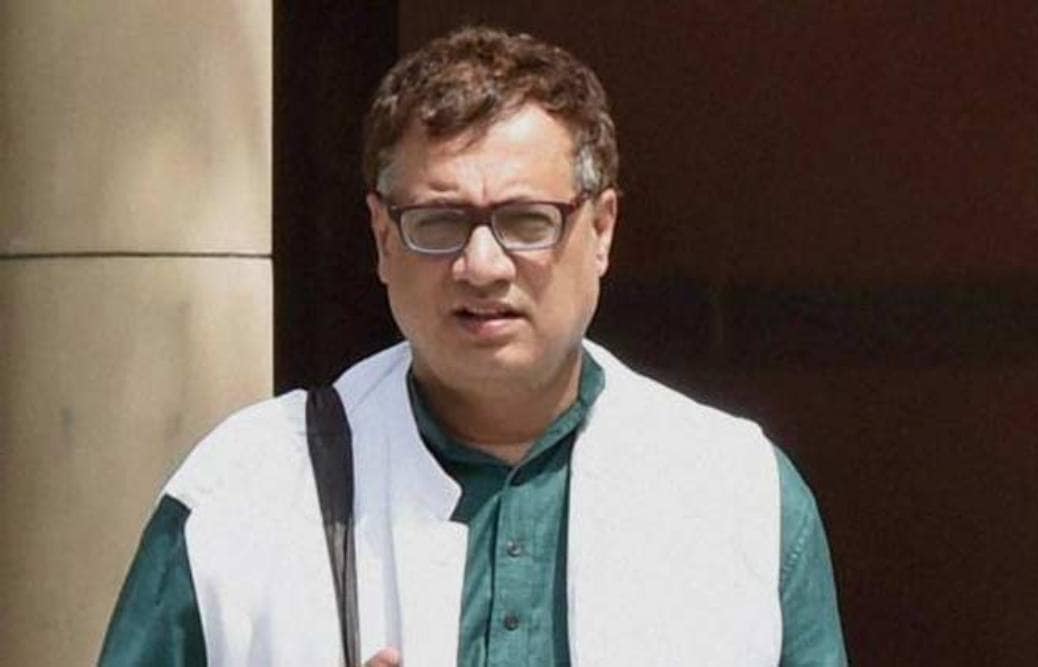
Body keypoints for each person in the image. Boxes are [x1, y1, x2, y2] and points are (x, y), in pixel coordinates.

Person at [100, 25, 847, 666]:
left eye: (527, 221)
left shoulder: (734, 494)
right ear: (383, 237)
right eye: (438, 223)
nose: (481, 266)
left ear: (602, 230)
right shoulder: (246, 493)